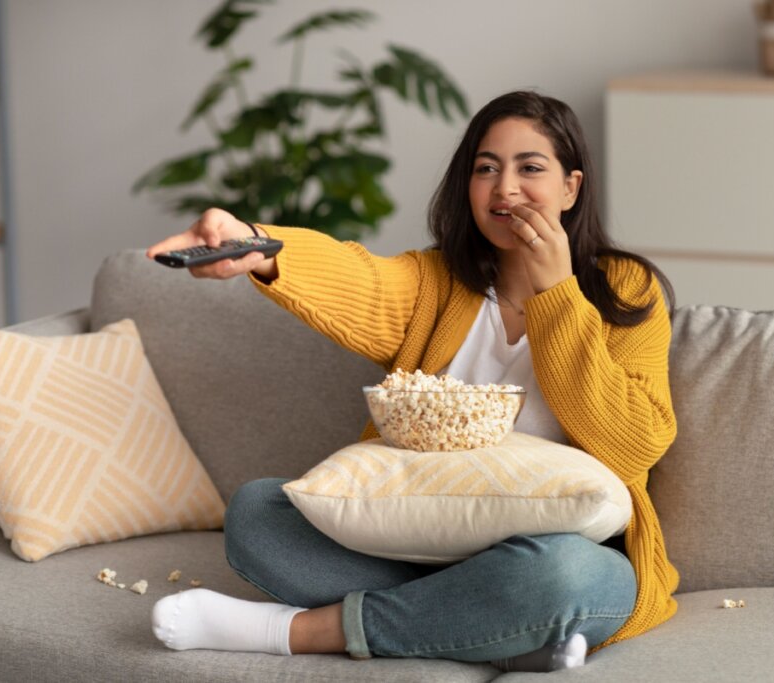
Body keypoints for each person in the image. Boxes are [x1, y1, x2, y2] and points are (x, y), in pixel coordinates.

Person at [145, 90, 678, 672]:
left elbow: (635, 441)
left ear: (571, 188)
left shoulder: (625, 289)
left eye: (530, 168)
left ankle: (301, 631)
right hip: (416, 549)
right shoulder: (436, 282)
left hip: (558, 554)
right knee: (258, 514)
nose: (505, 189)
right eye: (486, 169)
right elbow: (358, 278)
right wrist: (258, 245)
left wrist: (556, 295)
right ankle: (496, 630)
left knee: (562, 577)